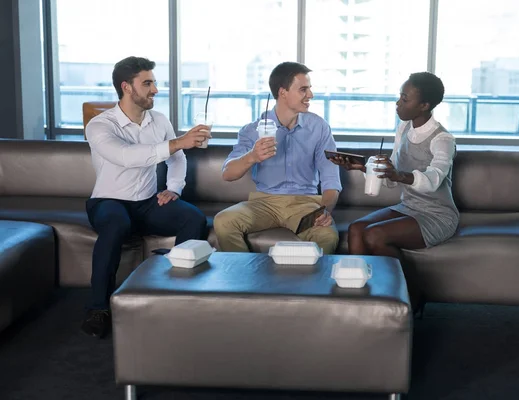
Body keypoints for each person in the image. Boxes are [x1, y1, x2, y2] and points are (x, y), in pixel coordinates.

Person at [82, 56, 210, 338]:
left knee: (194, 218)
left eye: (154, 82)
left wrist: (174, 188)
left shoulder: (159, 120)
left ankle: (177, 294)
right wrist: (179, 142)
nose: (155, 89)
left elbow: (177, 159)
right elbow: (126, 157)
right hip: (109, 200)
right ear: (127, 87)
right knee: (116, 224)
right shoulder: (100, 125)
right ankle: (98, 308)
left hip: (147, 201)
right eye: (148, 83)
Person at [331, 71, 459, 309]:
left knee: (374, 235)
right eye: (400, 97)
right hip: (409, 207)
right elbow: (391, 176)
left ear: (424, 105)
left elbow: (433, 180)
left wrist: (398, 174)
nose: (398, 104)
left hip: (437, 215)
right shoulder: (404, 128)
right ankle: (363, 298)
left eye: (404, 99)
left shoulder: (443, 139)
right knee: (356, 229)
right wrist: (364, 167)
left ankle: (407, 300)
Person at [213, 62, 342, 254]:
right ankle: (244, 276)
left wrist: (325, 209)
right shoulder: (252, 130)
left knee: (328, 236)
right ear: (283, 92)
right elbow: (228, 174)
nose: (311, 95)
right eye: (303, 90)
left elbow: (331, 178)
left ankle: (309, 284)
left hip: (305, 203)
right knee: (224, 221)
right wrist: (252, 156)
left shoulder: (319, 127)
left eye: (310, 89)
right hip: (264, 202)